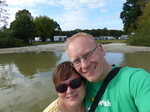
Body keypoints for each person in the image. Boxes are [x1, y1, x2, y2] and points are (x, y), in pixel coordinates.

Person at [65, 32, 150, 112]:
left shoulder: (136, 80)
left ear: (101, 50)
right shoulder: (80, 88)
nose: (84, 65)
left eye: (88, 54)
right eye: (76, 61)